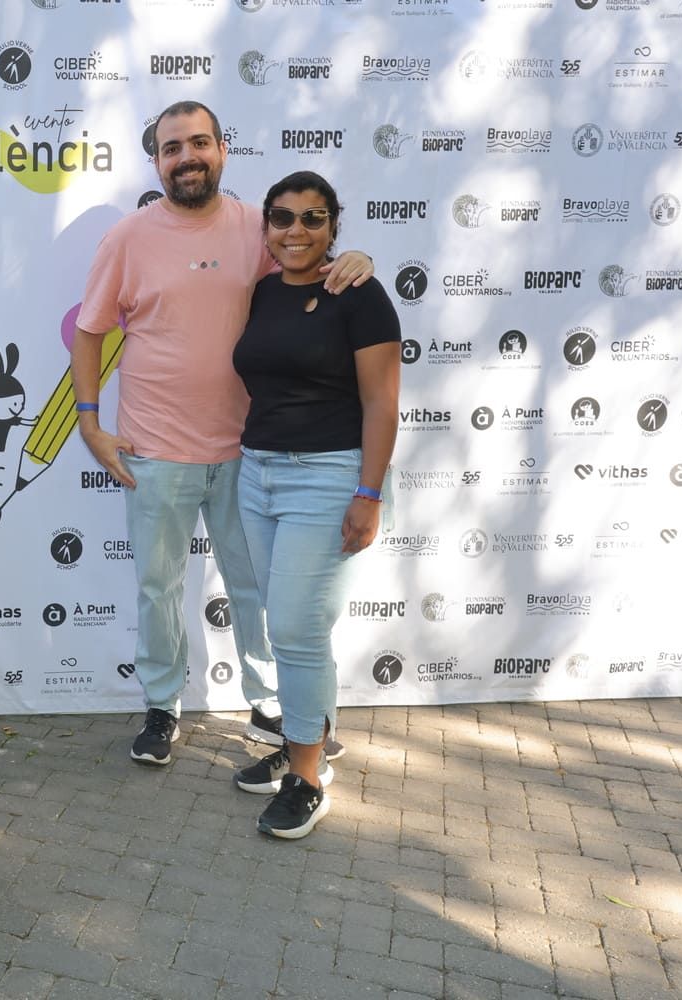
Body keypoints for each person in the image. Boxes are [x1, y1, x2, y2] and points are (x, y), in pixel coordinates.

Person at [71, 100, 373, 767]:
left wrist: (354, 258)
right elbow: (90, 331)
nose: (187, 157)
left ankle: (270, 704)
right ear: (157, 161)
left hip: (252, 450)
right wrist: (89, 424)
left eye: (199, 142)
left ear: (222, 149)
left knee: (256, 586)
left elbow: (306, 269)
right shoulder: (126, 237)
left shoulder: (255, 228)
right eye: (172, 148)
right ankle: (160, 706)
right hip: (153, 450)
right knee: (158, 586)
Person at [229, 171, 401, 839]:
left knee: (296, 630)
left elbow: (382, 402)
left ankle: (306, 776)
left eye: (312, 218)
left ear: (334, 225)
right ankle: (309, 738)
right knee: (295, 625)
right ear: (266, 227)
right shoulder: (264, 290)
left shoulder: (359, 294)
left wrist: (368, 492)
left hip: (328, 477)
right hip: (258, 472)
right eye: (282, 218)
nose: (295, 230)